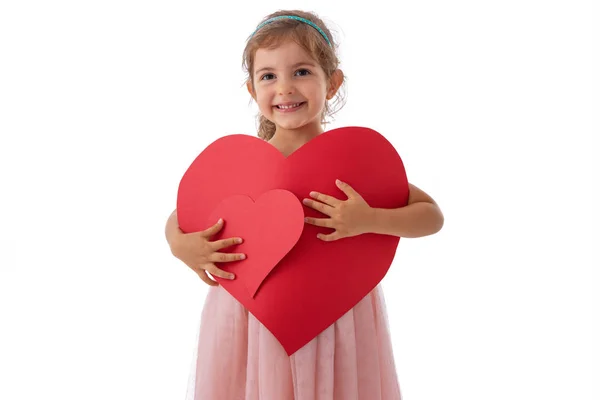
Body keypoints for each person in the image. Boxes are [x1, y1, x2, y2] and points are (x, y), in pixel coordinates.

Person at [165, 9, 444, 400]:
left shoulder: (351, 160)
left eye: (301, 72)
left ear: (332, 83)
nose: (285, 88)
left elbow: (431, 216)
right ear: (251, 90)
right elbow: (183, 214)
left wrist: (368, 219)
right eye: (268, 76)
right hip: (254, 312)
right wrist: (183, 247)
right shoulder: (244, 164)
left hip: (337, 308)